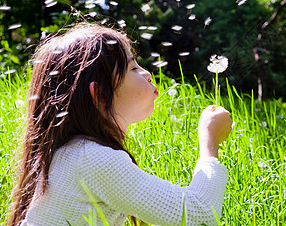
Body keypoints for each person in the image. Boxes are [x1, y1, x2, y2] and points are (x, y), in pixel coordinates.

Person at [8, 22, 233, 226]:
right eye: (133, 68)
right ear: (101, 95)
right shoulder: (93, 159)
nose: (147, 74)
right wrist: (209, 141)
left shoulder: (70, 154)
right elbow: (199, 216)